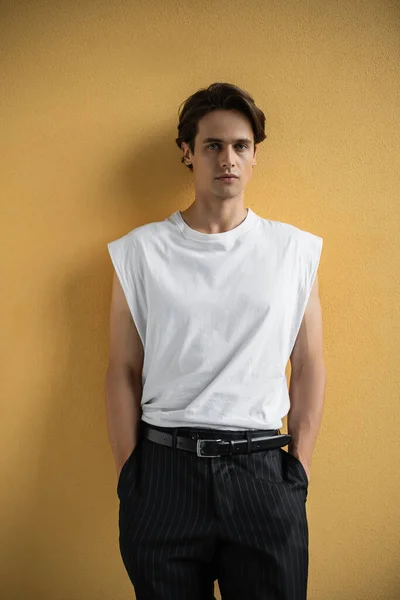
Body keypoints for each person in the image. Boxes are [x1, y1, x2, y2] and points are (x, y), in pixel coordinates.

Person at [105, 82, 326, 600]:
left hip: (264, 474)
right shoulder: (138, 252)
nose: (228, 158)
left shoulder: (294, 251)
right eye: (213, 145)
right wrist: (129, 478)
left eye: (241, 146)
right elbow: (122, 369)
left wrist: (299, 471)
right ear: (188, 153)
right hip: (163, 474)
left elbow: (310, 362)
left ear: (255, 158)